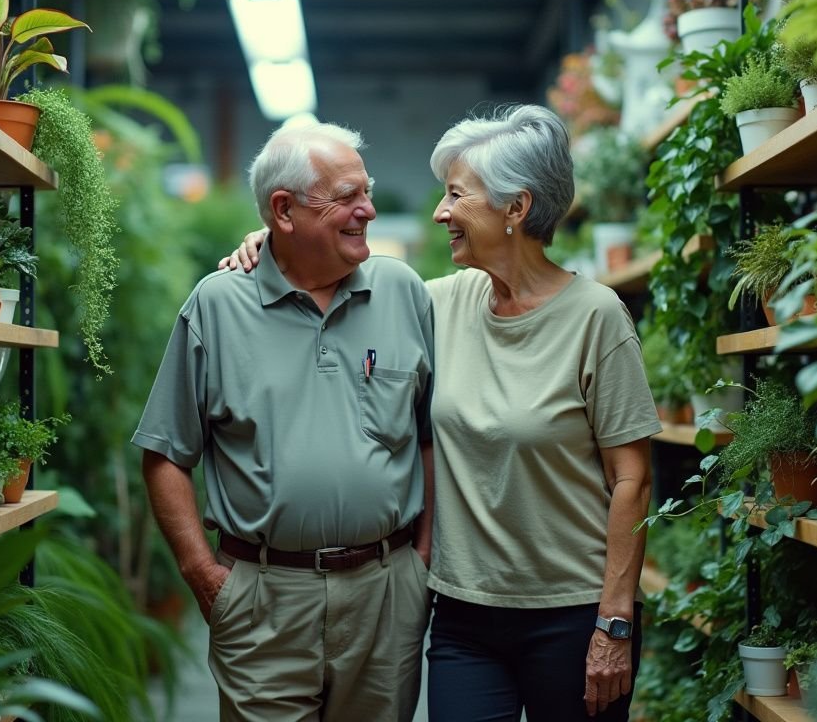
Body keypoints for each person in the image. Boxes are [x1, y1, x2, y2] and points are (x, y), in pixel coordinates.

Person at [220, 104, 659, 720]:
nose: (441, 212)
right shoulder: (434, 304)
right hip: (462, 615)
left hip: (572, 612)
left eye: (456, 195)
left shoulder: (597, 317)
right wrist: (276, 239)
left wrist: (614, 623)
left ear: (516, 208)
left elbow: (632, 482)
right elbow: (335, 270)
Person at [135, 121, 435, 722]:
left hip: (387, 594)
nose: (368, 210)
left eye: (366, 191)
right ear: (283, 210)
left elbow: (428, 437)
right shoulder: (218, 306)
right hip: (264, 600)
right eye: (347, 197)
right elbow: (165, 453)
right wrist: (203, 575)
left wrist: (421, 563)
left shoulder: (405, 291)